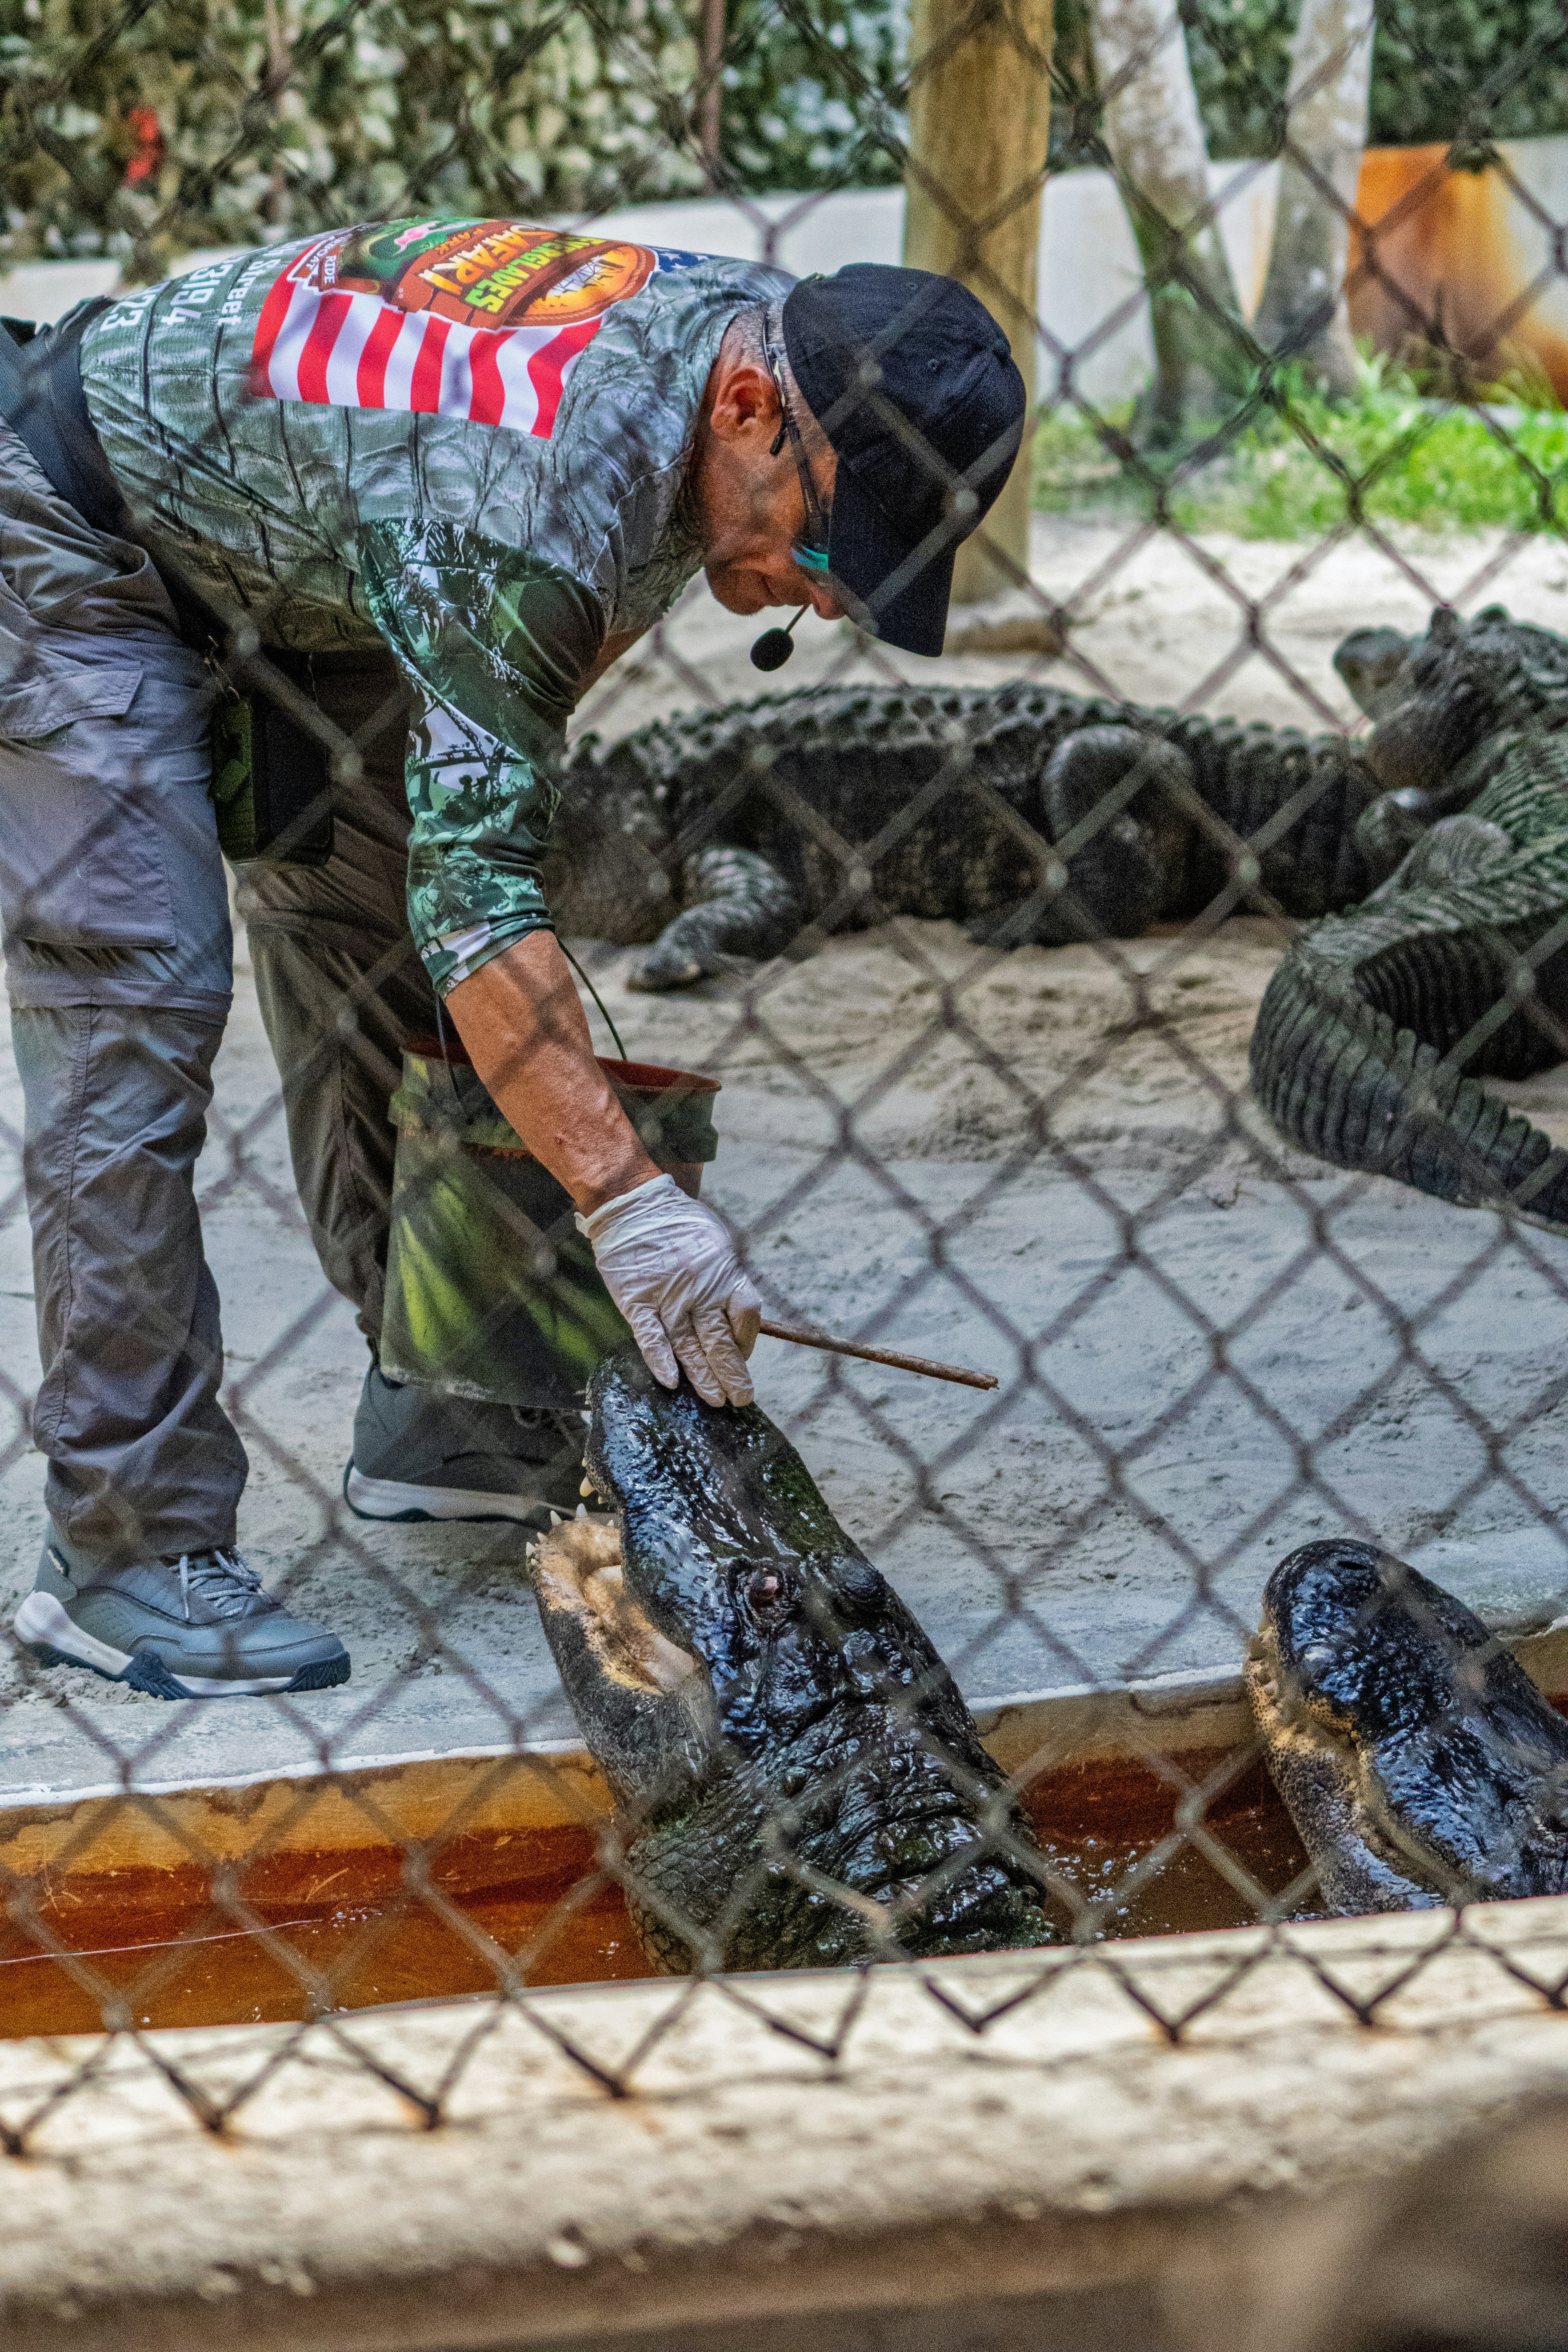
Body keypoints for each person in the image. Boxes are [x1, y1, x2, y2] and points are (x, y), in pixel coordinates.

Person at [0, 220, 1026, 1699]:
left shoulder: (747, 353)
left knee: (384, 932)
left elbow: (490, 791)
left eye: (854, 580)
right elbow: (481, 900)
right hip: (68, 517)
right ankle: (120, 1550)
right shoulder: (545, 487)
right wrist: (630, 1203)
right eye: (824, 547)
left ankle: (445, 1408)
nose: (819, 596)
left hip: (307, 546)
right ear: (750, 409)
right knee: (138, 992)